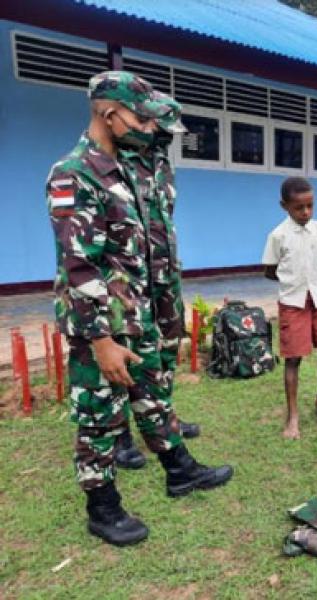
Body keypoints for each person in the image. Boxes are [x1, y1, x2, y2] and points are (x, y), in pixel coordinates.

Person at [46, 71, 233, 546]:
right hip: (102, 324)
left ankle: (180, 470)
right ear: (110, 114)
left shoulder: (127, 167)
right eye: (140, 118)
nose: (148, 128)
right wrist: (101, 340)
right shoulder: (73, 173)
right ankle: (102, 507)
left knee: (152, 394)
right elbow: (79, 266)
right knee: (98, 415)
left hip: (139, 312)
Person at [114, 91, 201, 470]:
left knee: (165, 349)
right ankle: (119, 437)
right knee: (126, 353)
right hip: (129, 281)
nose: (164, 137)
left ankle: (163, 422)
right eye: (160, 129)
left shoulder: (162, 164)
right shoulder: (115, 163)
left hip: (164, 275)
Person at [262, 176, 317, 439]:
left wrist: (312, 283)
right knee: (293, 359)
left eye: (310, 206)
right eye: (299, 207)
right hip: (293, 302)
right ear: (284, 206)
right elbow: (269, 271)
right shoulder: (278, 236)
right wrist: (292, 282)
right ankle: (293, 416)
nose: (305, 212)